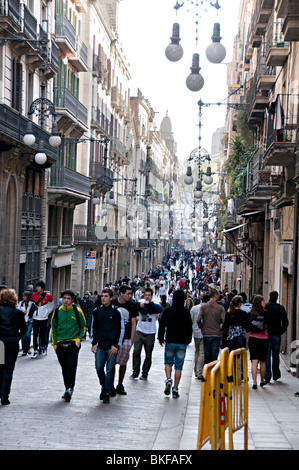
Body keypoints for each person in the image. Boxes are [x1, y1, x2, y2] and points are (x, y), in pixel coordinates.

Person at [51, 290, 86, 402]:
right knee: (64, 367)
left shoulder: (77, 311)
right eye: (64, 298)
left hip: (72, 343)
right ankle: (67, 387)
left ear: (72, 300)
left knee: (71, 366)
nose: (65, 301)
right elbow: (54, 329)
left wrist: (78, 339)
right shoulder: (57, 312)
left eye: (68, 298)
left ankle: (70, 388)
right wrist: (55, 344)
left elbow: (83, 326)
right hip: (60, 344)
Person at [91, 288, 124, 404]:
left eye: (106, 296)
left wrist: (116, 345)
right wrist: (93, 343)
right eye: (102, 296)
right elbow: (93, 327)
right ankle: (106, 386)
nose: (103, 298)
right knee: (99, 367)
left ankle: (106, 392)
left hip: (112, 346)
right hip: (100, 345)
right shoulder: (97, 311)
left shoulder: (116, 312)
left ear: (111, 298)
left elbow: (121, 329)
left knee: (110, 370)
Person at [158, 289, 192, 398]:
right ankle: (176, 389)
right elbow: (189, 327)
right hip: (182, 342)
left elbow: (162, 325)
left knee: (168, 362)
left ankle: (168, 379)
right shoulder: (186, 312)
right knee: (179, 366)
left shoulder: (168, 311)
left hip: (170, 340)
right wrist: (188, 340)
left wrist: (160, 338)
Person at [0, 289, 27, 405]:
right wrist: (18, 336)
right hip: (11, 341)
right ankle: (5, 395)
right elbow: (24, 329)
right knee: (9, 368)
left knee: (0, 366)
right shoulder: (18, 313)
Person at [131, 287, 163, 380]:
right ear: (143, 295)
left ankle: (145, 373)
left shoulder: (155, 304)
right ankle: (135, 371)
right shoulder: (140, 302)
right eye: (146, 295)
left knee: (148, 354)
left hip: (150, 332)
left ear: (152, 296)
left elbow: (160, 309)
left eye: (149, 295)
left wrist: (150, 305)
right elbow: (134, 305)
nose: (147, 297)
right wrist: (141, 304)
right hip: (140, 331)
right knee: (136, 351)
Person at [112, 285, 138, 395]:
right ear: (121, 293)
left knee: (123, 363)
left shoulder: (132, 305)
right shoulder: (113, 303)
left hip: (126, 338)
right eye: (128, 293)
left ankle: (120, 384)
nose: (130, 295)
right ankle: (110, 384)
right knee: (111, 363)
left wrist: (132, 340)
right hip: (113, 338)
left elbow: (133, 323)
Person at [245, 295, 269, 389]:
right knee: (263, 361)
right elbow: (269, 325)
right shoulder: (266, 313)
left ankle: (254, 382)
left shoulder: (250, 313)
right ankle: (262, 380)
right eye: (263, 301)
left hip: (253, 339)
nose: (265, 303)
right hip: (264, 339)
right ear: (260, 303)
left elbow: (246, 327)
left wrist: (247, 339)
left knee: (254, 361)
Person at [265, 291, 288, 383]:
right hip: (276, 334)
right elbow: (285, 322)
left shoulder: (265, 307)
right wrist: (281, 331)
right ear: (277, 298)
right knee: (275, 354)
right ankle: (276, 374)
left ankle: (267, 376)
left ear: (269, 297)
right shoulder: (281, 308)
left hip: (266, 334)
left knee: (267, 355)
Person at [197, 289, 225, 364]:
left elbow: (198, 319)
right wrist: (221, 329)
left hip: (206, 333)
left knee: (207, 355)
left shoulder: (203, 307)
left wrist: (202, 327)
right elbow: (223, 321)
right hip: (216, 333)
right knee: (214, 355)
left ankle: (207, 373)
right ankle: (213, 372)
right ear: (216, 295)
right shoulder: (220, 308)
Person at [30, 281, 53, 359]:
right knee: (35, 334)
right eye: (36, 286)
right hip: (35, 317)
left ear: (42, 287)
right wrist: (31, 314)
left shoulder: (48, 296)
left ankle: (43, 348)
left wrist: (46, 313)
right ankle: (35, 350)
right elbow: (31, 305)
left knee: (42, 334)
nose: (37, 288)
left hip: (43, 317)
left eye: (38, 286)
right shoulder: (33, 295)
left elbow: (51, 306)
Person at [190, 294, 209, 380]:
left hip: (196, 333)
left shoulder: (194, 308)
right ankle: (199, 372)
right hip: (204, 332)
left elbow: (191, 320)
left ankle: (195, 370)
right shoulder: (207, 308)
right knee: (202, 353)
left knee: (197, 352)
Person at [17, 291, 35, 356]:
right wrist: (22, 313)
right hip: (23, 321)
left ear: (27, 297)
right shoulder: (20, 303)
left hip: (29, 321)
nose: (23, 297)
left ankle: (28, 348)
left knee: (28, 335)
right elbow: (18, 311)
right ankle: (25, 350)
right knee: (24, 335)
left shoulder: (31, 304)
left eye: (24, 296)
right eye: (23, 296)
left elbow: (34, 311)